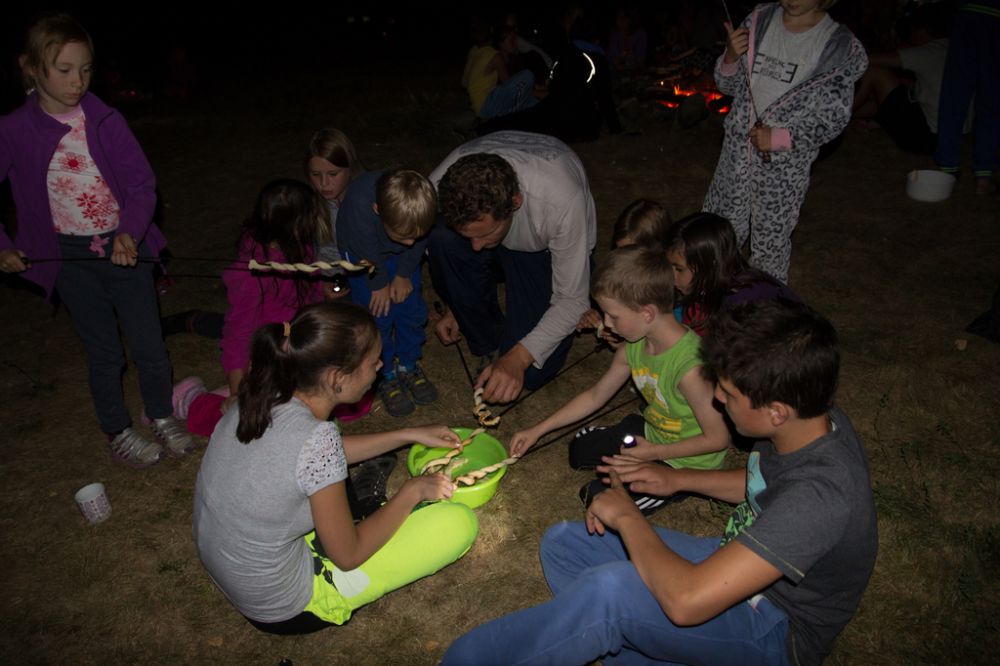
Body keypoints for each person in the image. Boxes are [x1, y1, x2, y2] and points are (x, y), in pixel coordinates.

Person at [442, 299, 878, 666]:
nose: (716, 397)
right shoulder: (810, 417)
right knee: (565, 544)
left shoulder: (819, 496)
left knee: (610, 593)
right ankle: (635, 639)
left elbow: (686, 603)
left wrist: (630, 517)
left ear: (776, 411)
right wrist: (677, 479)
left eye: (728, 393)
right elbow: (762, 482)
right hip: (741, 557)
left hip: (776, 626)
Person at [193, 302, 478, 635]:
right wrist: (412, 491)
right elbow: (348, 555)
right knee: (457, 524)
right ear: (337, 379)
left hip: (236, 568)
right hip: (286, 604)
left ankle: (360, 511)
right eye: (373, 362)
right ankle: (365, 514)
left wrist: (406, 434)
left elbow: (309, 458)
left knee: (330, 473)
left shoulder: (264, 392)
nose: (380, 367)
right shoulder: (318, 441)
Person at [0, 13, 191, 467]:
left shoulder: (104, 119)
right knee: (104, 351)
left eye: (85, 69)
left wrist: (129, 230)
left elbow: (141, 184)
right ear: (32, 67)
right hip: (68, 258)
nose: (78, 81)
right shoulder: (14, 129)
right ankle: (117, 430)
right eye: (64, 69)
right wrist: (2, 245)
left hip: (124, 248)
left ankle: (161, 414)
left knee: (149, 344)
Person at [510, 246, 729, 515]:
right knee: (579, 450)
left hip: (686, 461)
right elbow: (595, 395)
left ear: (647, 313)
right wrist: (538, 430)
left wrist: (655, 453)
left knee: (598, 499)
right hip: (654, 432)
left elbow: (718, 438)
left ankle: (672, 484)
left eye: (613, 316)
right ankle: (632, 442)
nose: (607, 324)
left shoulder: (690, 370)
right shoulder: (633, 346)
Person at [703, 0, 867, 283]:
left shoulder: (837, 45)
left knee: (770, 242)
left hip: (784, 166)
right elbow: (727, 86)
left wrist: (781, 137)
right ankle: (710, 291)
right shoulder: (759, 21)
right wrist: (730, 57)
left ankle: (765, 301)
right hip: (736, 155)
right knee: (719, 230)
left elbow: (832, 118)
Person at [428, 130, 597, 405]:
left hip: (541, 252)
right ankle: (489, 341)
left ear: (515, 202)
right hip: (506, 240)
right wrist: (458, 299)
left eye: (485, 233)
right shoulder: (441, 182)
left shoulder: (560, 200)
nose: (475, 247)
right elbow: (407, 233)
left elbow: (572, 300)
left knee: (530, 374)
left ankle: (509, 349)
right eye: (468, 235)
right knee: (442, 239)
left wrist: (518, 358)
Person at [337, 168, 439, 417]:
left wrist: (404, 273)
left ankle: (408, 364)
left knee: (410, 309)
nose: (410, 242)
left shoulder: (418, 214)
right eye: (405, 236)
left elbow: (415, 242)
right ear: (377, 210)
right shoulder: (359, 206)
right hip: (364, 260)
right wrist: (378, 283)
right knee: (377, 316)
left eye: (416, 236)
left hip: (399, 257)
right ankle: (383, 372)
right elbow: (362, 249)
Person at [664, 212, 799, 336]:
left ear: (710, 265)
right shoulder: (718, 281)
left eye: (679, 269)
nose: (671, 276)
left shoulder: (741, 307)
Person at [851, 3, 958, 155]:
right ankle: (857, 120)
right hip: (951, 137)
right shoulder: (953, 48)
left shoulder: (929, 51)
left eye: (912, 30)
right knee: (890, 95)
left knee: (876, 72)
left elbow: (868, 59)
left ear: (922, 30)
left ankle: (835, 119)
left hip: (927, 138)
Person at [576, 198, 672, 347]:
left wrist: (622, 340)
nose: (622, 259)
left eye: (629, 252)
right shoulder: (622, 275)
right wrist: (602, 319)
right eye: (619, 250)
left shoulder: (668, 292)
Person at [934, 0, 1000, 196]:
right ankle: (983, 178)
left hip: (969, 12)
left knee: (954, 96)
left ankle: (948, 169)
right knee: (992, 102)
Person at [306, 127, 363, 299]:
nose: (324, 183)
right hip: (328, 279)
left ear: (349, 168)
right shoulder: (308, 205)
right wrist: (318, 284)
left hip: (365, 276)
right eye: (316, 174)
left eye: (332, 174)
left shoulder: (366, 199)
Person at [461, 18, 538, 121]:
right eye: (512, 40)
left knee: (533, 102)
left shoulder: (477, 51)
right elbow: (509, 86)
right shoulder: (495, 56)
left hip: (481, 106)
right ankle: (511, 115)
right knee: (528, 75)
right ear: (501, 43)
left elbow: (464, 83)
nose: (516, 43)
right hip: (487, 105)